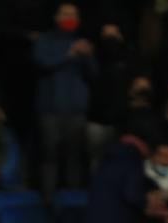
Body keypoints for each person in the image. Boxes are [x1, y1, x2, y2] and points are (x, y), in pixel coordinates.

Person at [32, 2, 96, 200]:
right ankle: (48, 203)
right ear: (56, 17)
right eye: (65, 14)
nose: (70, 18)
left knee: (74, 159)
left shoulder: (82, 42)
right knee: (49, 158)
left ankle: (72, 203)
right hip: (50, 110)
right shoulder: (45, 40)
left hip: (76, 111)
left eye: (73, 15)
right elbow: (42, 63)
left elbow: (94, 75)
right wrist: (69, 54)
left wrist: (88, 56)